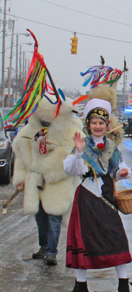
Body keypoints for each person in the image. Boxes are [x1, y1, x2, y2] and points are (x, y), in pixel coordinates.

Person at [64, 99, 132, 292]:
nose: (97, 126)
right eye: (94, 123)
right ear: (88, 125)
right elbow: (71, 170)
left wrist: (123, 173)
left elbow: (119, 169)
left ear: (107, 126)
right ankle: (81, 286)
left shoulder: (111, 146)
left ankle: (123, 283)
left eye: (101, 123)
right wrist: (78, 152)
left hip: (107, 197)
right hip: (87, 197)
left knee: (117, 237)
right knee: (84, 242)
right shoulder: (82, 145)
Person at [12, 96, 84, 266]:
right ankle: (44, 246)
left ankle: (51, 251)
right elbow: (21, 155)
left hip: (58, 181)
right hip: (36, 180)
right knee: (41, 216)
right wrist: (21, 178)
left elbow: (73, 157)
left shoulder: (71, 132)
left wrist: (53, 172)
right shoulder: (29, 132)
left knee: (54, 216)